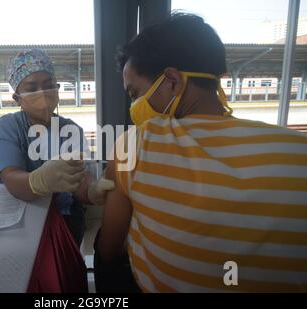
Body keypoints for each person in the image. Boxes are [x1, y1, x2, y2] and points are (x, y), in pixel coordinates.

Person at [96, 13, 307, 292]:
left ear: (172, 81)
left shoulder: (134, 145)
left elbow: (110, 250)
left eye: (135, 94)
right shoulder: (297, 150)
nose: (134, 105)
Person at [0, 49, 114, 246]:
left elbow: (79, 180)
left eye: (48, 86)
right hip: (20, 218)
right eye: (32, 88)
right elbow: (10, 177)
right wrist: (38, 181)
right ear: (17, 98)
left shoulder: (70, 129)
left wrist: (92, 191)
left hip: (65, 219)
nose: (42, 93)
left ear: (57, 89)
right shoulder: (7, 127)